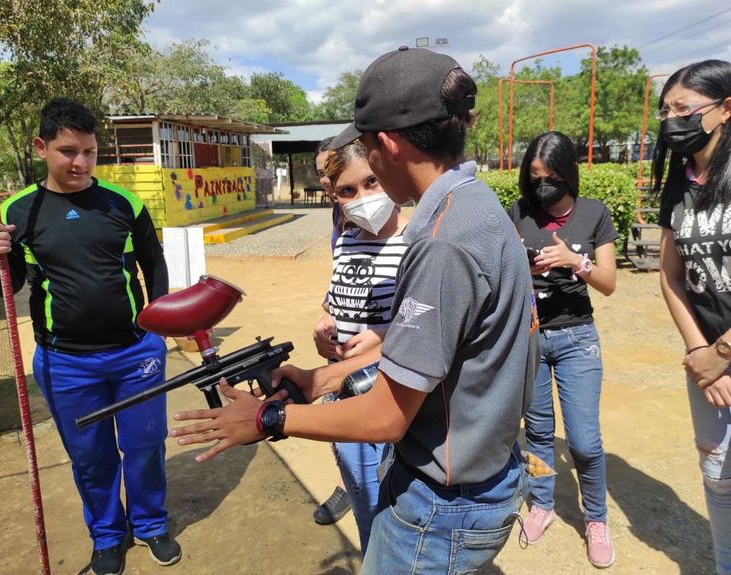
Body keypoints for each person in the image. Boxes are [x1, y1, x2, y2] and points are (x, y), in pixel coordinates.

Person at [170, 47, 538, 573]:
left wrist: (268, 417)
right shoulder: (478, 210)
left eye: (367, 151)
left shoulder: (441, 243)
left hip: (442, 505)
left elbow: (387, 415)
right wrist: (322, 379)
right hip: (478, 476)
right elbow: (432, 352)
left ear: (386, 143)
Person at [0, 98, 180, 575]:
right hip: (65, 362)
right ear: (41, 147)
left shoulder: (123, 202)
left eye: (90, 152)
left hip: (136, 353)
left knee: (146, 445)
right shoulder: (19, 209)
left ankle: (150, 523)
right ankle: (108, 534)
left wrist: (161, 323)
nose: (81, 163)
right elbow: (9, 287)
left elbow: (154, 263)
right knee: (91, 457)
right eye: (68, 151)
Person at [506, 131, 618, 568]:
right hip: (530, 337)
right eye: (534, 177)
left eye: (550, 177)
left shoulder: (594, 214)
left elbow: (608, 284)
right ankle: (542, 504)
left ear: (567, 173)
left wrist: (577, 262)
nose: (542, 185)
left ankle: (596, 519)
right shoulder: (518, 212)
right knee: (536, 433)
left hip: (577, 338)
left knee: (585, 442)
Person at [312, 139, 409, 552]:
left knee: (390, 512)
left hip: (388, 396)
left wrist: (385, 335)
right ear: (334, 197)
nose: (363, 198)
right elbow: (336, 300)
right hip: (341, 395)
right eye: (347, 191)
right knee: (365, 507)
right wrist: (324, 327)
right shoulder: (347, 239)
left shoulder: (416, 242)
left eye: (371, 182)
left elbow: (432, 325)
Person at [654, 59, 731, 575]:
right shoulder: (678, 186)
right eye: (665, 111)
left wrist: (724, 353)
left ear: (725, 109)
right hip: (706, 366)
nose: (671, 119)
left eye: (684, 108)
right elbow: (671, 276)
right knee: (719, 476)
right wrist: (700, 350)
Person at [311, 135, 353, 526]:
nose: (327, 180)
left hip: (373, 344)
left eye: (333, 170)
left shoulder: (378, 210)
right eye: (322, 173)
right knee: (337, 415)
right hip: (340, 336)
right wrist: (332, 304)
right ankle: (348, 485)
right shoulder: (336, 213)